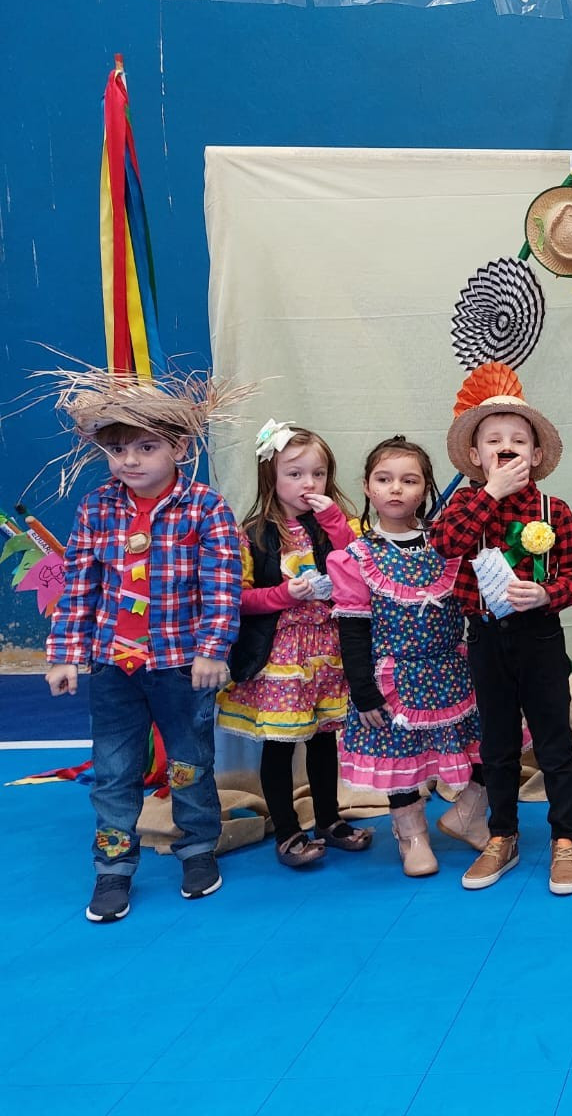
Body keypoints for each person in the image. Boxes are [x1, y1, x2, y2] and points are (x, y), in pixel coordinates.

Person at [43, 366, 244, 924]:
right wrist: (65, 654)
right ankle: (113, 867)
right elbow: (79, 585)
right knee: (114, 769)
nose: (130, 460)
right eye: (118, 449)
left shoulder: (206, 508)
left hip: (180, 665)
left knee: (190, 761)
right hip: (113, 667)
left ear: (179, 448)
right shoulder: (96, 508)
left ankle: (197, 848)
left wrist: (213, 649)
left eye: (146, 447)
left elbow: (222, 587)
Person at [431, 363, 572, 894]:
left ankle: (565, 838)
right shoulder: (464, 504)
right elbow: (445, 544)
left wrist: (547, 594)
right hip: (484, 638)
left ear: (536, 455)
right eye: (494, 440)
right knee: (496, 744)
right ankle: (502, 835)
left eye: (518, 441)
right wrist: (491, 495)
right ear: (476, 455)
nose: (506, 447)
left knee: (554, 742)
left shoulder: (554, 510)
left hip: (539, 638)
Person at [329, 437, 489, 878]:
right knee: (401, 763)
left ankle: (469, 813)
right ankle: (411, 833)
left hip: (454, 671)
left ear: (426, 489)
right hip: (393, 679)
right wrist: (363, 690)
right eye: (384, 479)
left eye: (409, 480)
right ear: (367, 487)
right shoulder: (358, 556)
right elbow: (353, 631)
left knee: (488, 746)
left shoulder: (449, 544)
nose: (395, 488)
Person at [218, 420, 368, 868]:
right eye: (295, 473)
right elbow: (239, 599)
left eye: (318, 474)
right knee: (280, 744)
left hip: (327, 651)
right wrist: (285, 595)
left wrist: (334, 520)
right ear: (271, 476)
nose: (309, 483)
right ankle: (287, 830)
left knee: (324, 740)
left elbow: (360, 567)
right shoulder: (253, 533)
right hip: (280, 656)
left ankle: (329, 820)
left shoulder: (337, 525)